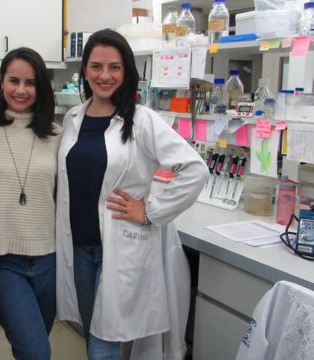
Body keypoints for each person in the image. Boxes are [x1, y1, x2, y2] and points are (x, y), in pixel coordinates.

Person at [56, 29, 209, 359]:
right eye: (96, 66)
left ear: (126, 72)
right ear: (85, 70)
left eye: (114, 67)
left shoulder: (141, 120)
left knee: (103, 347)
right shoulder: (73, 119)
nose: (105, 75)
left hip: (119, 248)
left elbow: (195, 169)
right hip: (79, 250)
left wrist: (150, 210)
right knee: (92, 334)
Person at [0, 47, 61, 360]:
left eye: (31, 83)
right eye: (13, 81)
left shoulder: (57, 135)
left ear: (41, 88)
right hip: (3, 260)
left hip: (49, 258)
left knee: (35, 345)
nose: (21, 90)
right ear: (1, 83)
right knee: (36, 352)